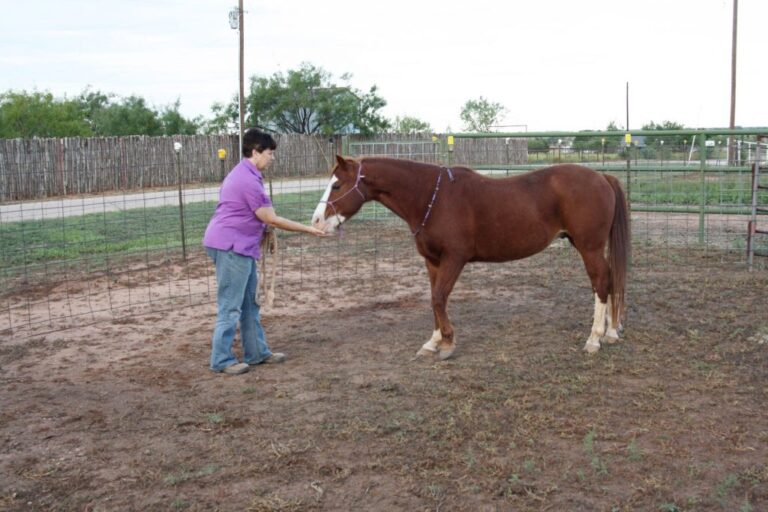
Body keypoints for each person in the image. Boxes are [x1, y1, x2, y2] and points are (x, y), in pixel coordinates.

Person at [203, 128, 327, 375]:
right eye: (270, 153)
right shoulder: (247, 180)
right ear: (256, 151)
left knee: (250, 303)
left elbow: (259, 216)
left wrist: (263, 228)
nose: (272, 158)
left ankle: (256, 352)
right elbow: (271, 218)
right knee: (231, 306)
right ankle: (221, 360)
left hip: (239, 246)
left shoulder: (245, 174)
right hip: (231, 247)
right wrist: (308, 230)